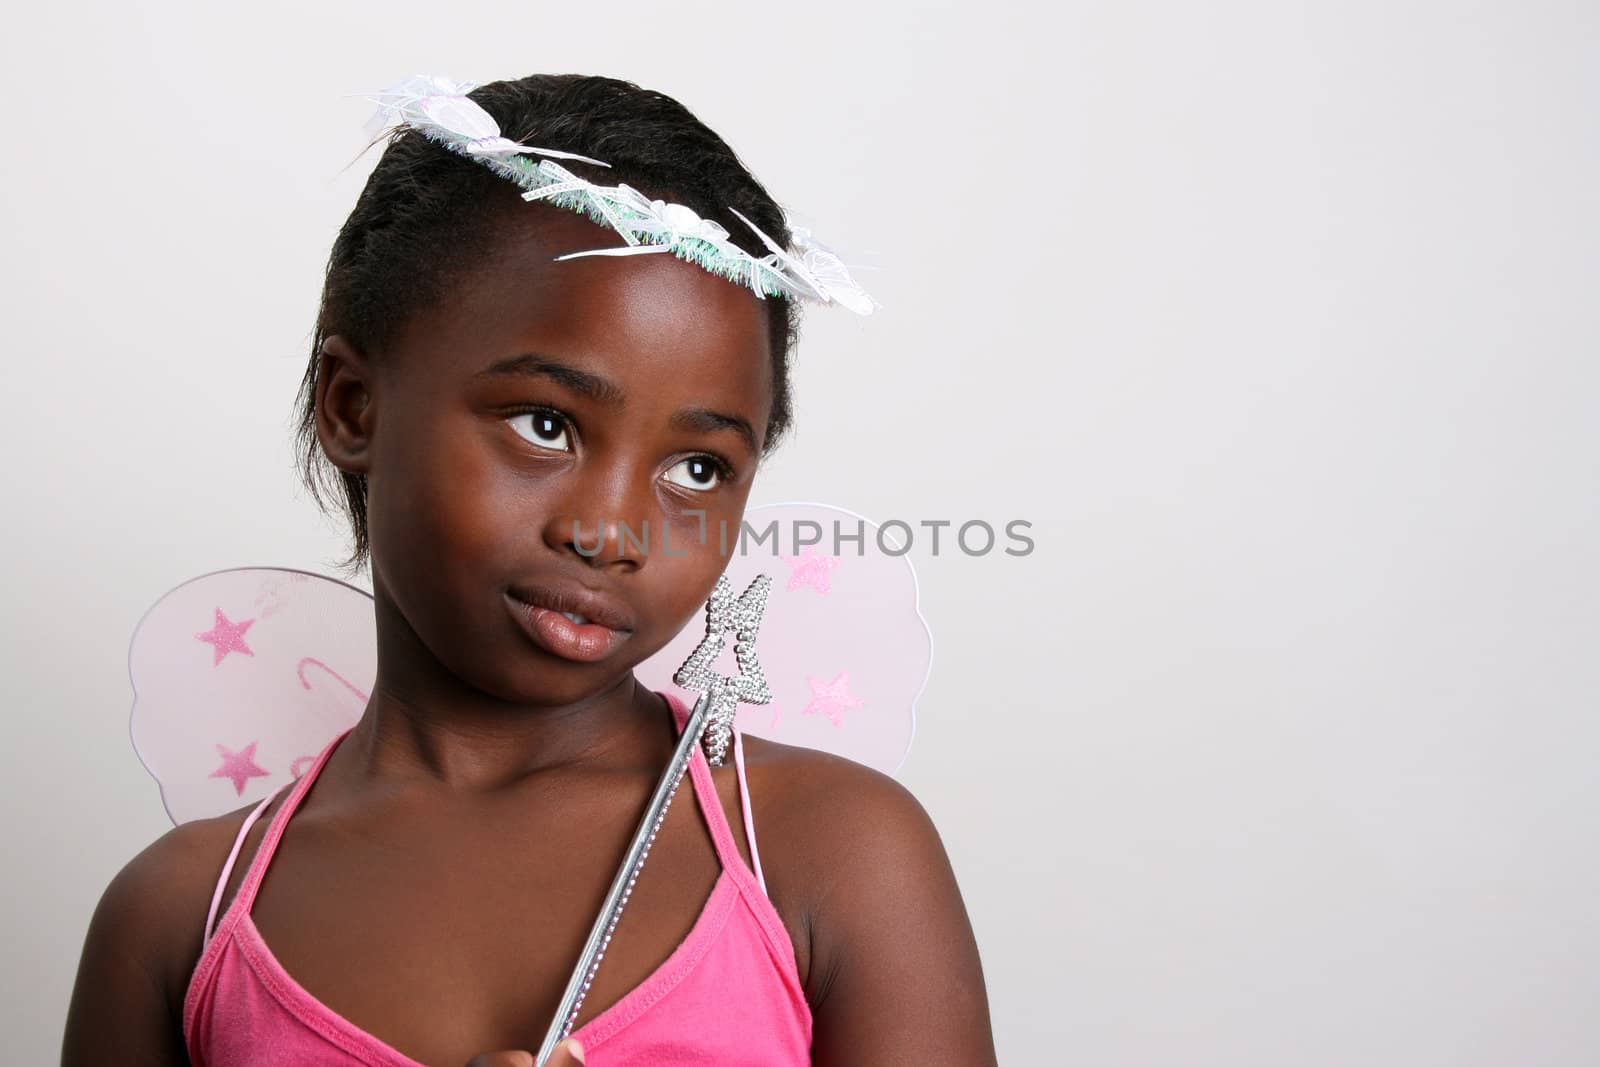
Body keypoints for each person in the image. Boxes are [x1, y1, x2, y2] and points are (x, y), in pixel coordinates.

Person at [62, 73, 997, 1066]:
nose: (612, 531)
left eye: (698, 467)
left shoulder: (832, 856)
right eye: (545, 425)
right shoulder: (179, 922)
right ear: (352, 407)